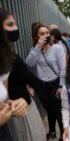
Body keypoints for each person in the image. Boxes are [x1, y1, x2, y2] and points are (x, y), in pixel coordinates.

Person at [0, 9, 47, 141]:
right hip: (17, 112)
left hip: (17, 107)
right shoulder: (12, 57)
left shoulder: (6, 56)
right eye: (10, 25)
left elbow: (6, 95)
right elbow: (29, 66)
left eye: (46, 33)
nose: (15, 28)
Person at [26, 24, 66, 139]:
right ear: (36, 36)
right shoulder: (35, 50)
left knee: (57, 110)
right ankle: (52, 131)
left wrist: (61, 85)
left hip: (55, 82)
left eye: (47, 33)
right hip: (41, 85)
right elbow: (29, 63)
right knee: (49, 109)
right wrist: (38, 47)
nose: (45, 35)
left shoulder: (58, 48)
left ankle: (63, 134)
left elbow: (63, 67)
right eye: (42, 34)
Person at [0, 8, 28, 141]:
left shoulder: (4, 62)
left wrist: (16, 105)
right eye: (10, 25)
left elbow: (4, 103)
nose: (16, 28)